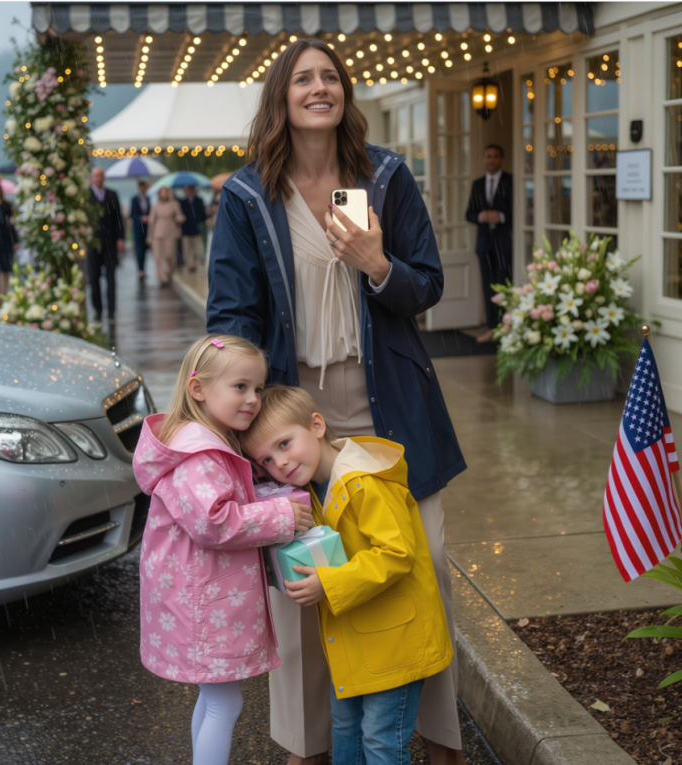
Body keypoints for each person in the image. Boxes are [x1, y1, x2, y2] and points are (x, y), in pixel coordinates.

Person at [207, 38, 467, 765]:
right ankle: (308, 746)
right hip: (295, 418)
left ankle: (440, 740)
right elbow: (230, 316)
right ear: (281, 99)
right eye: (303, 79)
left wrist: (376, 264)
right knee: (306, 579)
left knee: (426, 568)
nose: (319, 88)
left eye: (330, 77)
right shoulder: (248, 195)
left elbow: (428, 284)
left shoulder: (385, 176)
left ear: (345, 94)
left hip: (392, 413)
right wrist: (232, 410)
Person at [242, 385, 453, 765]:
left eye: (285, 444)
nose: (281, 463)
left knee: (380, 740)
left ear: (317, 425)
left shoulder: (365, 481)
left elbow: (397, 553)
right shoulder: (309, 492)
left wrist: (328, 582)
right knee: (345, 730)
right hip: (356, 641)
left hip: (396, 642)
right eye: (268, 460)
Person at [132, 334, 313, 765]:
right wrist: (282, 517)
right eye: (240, 387)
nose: (252, 399)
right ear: (199, 389)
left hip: (200, 597)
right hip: (204, 605)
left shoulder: (201, 442)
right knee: (224, 705)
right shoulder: (200, 453)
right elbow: (213, 522)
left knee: (214, 701)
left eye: (257, 388)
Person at [465, 144, 513, 343]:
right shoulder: (477, 184)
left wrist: (501, 216)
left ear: (501, 159)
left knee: (504, 285)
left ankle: (507, 328)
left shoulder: (511, 181)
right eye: (488, 157)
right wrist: (481, 216)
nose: (492, 160)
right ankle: (492, 328)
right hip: (484, 243)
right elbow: (469, 213)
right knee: (488, 286)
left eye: (495, 156)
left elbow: (519, 211)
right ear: (484, 160)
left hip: (504, 243)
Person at [87, 167, 124, 327]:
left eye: (101, 176)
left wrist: (121, 239)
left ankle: (111, 313)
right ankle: (98, 311)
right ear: (91, 178)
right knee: (93, 279)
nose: (99, 178)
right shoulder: (85, 196)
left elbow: (118, 219)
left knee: (111, 279)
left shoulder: (112, 195)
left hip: (109, 242)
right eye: (96, 176)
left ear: (104, 178)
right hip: (92, 243)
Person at [146, 186, 185, 287]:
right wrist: (149, 236)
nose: (164, 194)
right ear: (159, 194)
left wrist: (179, 218)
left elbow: (179, 215)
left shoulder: (174, 204)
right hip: (157, 233)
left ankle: (169, 273)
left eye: (165, 192)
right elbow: (151, 222)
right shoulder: (155, 206)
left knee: (170, 255)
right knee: (158, 257)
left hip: (170, 232)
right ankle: (163, 278)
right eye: (162, 192)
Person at [179, 185, 207, 272]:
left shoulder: (199, 200)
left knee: (197, 249)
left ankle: (197, 264)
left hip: (196, 228)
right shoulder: (182, 202)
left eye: (191, 189)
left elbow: (203, 214)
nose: (190, 191)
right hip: (186, 229)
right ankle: (188, 265)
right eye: (188, 189)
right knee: (187, 249)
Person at [130, 180, 151, 280]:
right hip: (138, 229)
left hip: (147, 229)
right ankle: (140, 270)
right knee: (139, 250)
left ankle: (144, 269)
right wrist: (141, 218)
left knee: (145, 250)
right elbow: (132, 215)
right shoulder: (134, 199)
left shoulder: (148, 199)